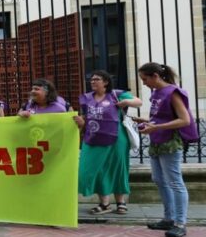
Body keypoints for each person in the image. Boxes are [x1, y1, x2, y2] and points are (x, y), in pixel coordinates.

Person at [136, 63, 197, 237]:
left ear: (155, 76)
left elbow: (185, 120)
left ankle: (180, 223)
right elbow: (162, 117)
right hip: (157, 140)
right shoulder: (156, 93)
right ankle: (169, 218)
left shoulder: (172, 92)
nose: (144, 83)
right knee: (158, 179)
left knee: (175, 182)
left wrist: (156, 127)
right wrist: (147, 121)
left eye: (145, 79)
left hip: (170, 141)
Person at [75, 70, 142, 215]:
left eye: (97, 79)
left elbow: (138, 102)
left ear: (105, 82)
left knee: (117, 168)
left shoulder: (116, 94)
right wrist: (81, 121)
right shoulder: (87, 98)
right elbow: (86, 117)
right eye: (92, 79)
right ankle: (104, 203)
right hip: (93, 138)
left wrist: (127, 102)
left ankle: (120, 202)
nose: (93, 81)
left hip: (117, 138)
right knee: (94, 169)